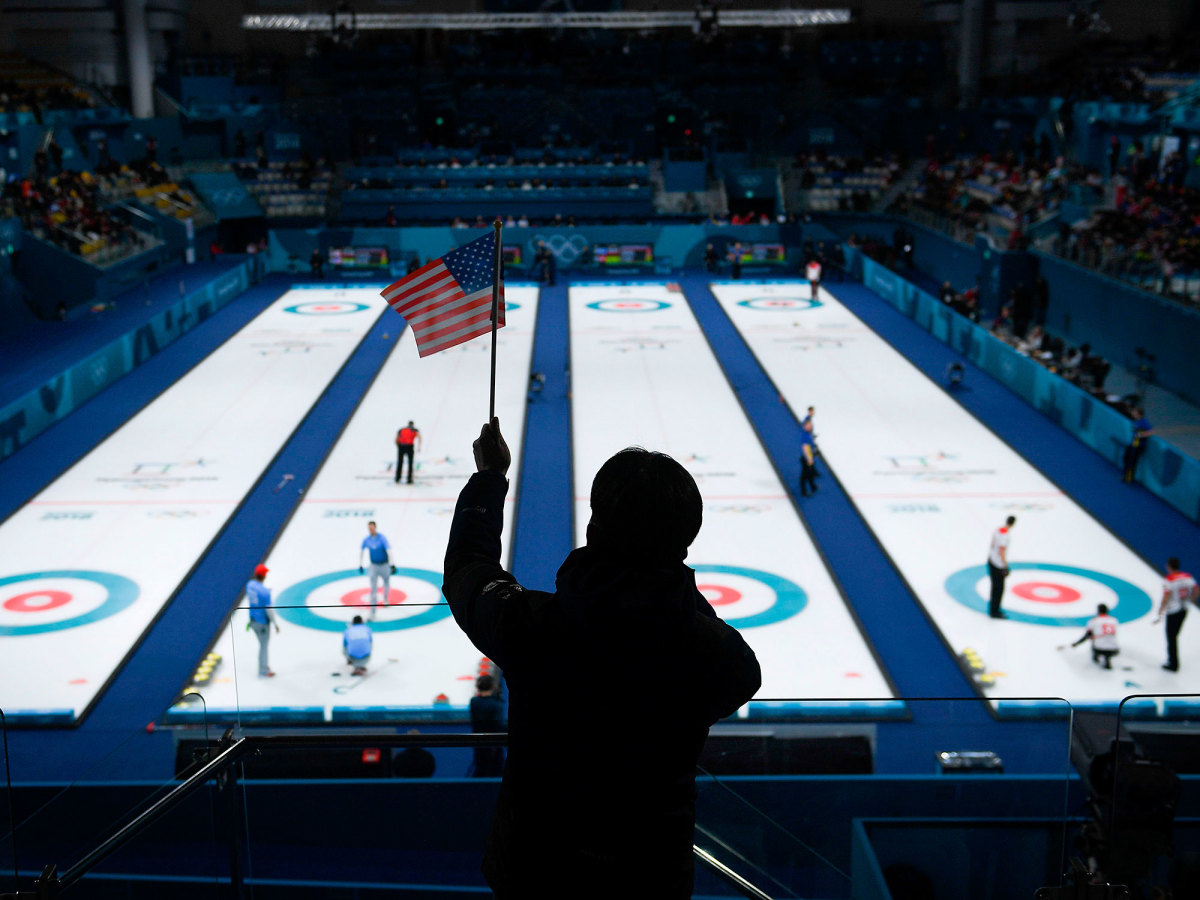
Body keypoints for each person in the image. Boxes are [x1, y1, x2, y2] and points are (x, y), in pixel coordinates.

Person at [443, 418, 761, 898]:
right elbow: (732, 670)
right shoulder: (716, 654)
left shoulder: (533, 628)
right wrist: (671, 584)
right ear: (685, 540)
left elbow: (468, 567)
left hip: (538, 869)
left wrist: (490, 477)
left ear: (594, 527)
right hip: (651, 872)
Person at [1154, 557, 1197, 672]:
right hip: (1184, 608)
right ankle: (1173, 661)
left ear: (1169, 566)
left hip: (1173, 611)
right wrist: (1191, 600)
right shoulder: (1188, 577)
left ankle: (1173, 663)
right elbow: (1196, 589)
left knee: (1171, 637)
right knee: (1175, 636)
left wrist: (1161, 609)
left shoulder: (1169, 580)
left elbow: (1166, 595)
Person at [1059, 603, 1119, 669]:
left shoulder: (1093, 621)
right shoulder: (1114, 620)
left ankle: (1096, 658)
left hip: (1099, 648)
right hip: (1114, 648)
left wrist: (1076, 644)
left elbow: (1087, 635)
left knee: (1096, 640)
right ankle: (1107, 660)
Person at [469, 673, 507, 777]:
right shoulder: (496, 704)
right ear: (493, 686)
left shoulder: (474, 702)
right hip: (494, 746)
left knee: (481, 771)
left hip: (479, 745)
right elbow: (500, 724)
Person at [245, 564, 278, 678]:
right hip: (262, 622)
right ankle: (263, 670)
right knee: (264, 646)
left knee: (261, 644)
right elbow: (269, 610)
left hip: (252, 619)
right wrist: (275, 624)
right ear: (264, 576)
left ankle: (263, 666)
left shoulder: (249, 585)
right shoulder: (265, 592)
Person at [987, 516, 1016, 619]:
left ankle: (993, 608)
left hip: (991, 560)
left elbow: (992, 543)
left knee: (994, 587)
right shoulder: (1005, 536)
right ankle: (995, 611)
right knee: (999, 589)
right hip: (998, 565)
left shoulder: (998, 529)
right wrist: (1005, 566)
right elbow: (1001, 551)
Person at [1122, 408, 1153, 484]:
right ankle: (1125, 473)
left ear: (1139, 414)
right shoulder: (1135, 421)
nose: (1134, 414)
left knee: (1132, 461)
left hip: (1138, 446)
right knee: (1125, 457)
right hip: (1132, 444)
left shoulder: (1144, 422)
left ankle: (1129, 477)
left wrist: (1141, 435)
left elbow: (1151, 431)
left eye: (1135, 413)